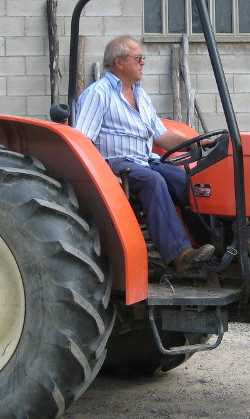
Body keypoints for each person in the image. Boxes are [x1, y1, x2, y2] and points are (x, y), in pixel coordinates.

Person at [74, 36, 215, 276]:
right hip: (114, 163)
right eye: (138, 58)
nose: (143, 63)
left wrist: (198, 141)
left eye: (142, 58)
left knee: (188, 181)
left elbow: (160, 136)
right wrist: (105, 174)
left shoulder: (141, 95)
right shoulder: (98, 93)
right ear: (119, 63)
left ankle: (211, 246)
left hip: (145, 160)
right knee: (154, 181)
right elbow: (81, 139)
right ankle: (180, 256)